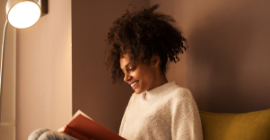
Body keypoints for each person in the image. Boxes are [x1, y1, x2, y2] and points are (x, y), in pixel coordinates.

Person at [28, 4, 203, 140]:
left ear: (154, 60)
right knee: (38, 134)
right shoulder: (136, 99)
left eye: (131, 68)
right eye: (123, 71)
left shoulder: (178, 98)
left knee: (47, 138)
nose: (126, 78)